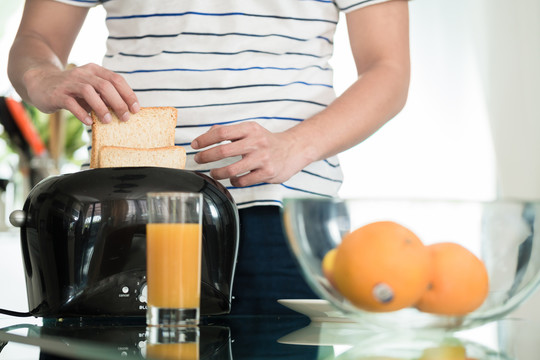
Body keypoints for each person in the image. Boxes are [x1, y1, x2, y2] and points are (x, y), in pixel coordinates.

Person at [8, 0, 410, 315]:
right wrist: (41, 75)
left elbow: (388, 70)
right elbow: (36, 37)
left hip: (276, 209)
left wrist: (294, 145)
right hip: (119, 210)